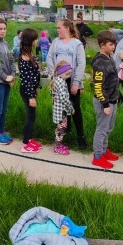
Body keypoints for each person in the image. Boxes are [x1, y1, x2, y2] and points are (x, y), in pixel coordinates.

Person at [46, 19, 88, 149]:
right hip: (59, 80)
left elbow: (81, 64)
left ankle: (80, 136)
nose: (57, 30)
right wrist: (54, 77)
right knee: (61, 107)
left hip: (72, 80)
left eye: (59, 28)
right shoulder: (55, 42)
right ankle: (64, 132)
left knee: (75, 108)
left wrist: (76, 83)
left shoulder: (77, 44)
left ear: (67, 29)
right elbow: (50, 58)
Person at [90, 30, 121, 169]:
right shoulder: (100, 63)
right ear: (102, 45)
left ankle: (104, 150)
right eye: (110, 44)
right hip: (105, 102)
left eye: (114, 44)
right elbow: (97, 87)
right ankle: (97, 156)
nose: (113, 46)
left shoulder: (109, 57)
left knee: (109, 128)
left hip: (113, 100)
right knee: (102, 129)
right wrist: (105, 104)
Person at [18, 28, 43, 153]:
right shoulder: (25, 57)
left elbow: (33, 77)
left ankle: (29, 139)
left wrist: (35, 88)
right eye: (35, 38)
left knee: (32, 116)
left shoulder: (29, 54)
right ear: (30, 41)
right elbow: (27, 79)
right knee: (30, 117)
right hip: (27, 91)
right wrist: (31, 96)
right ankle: (25, 143)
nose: (37, 40)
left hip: (30, 90)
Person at [51, 60, 75, 155]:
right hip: (62, 111)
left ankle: (58, 144)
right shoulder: (61, 82)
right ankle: (57, 147)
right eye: (67, 74)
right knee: (61, 130)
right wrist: (71, 108)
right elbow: (63, 98)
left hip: (58, 110)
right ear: (61, 72)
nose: (68, 76)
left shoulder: (56, 79)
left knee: (59, 129)